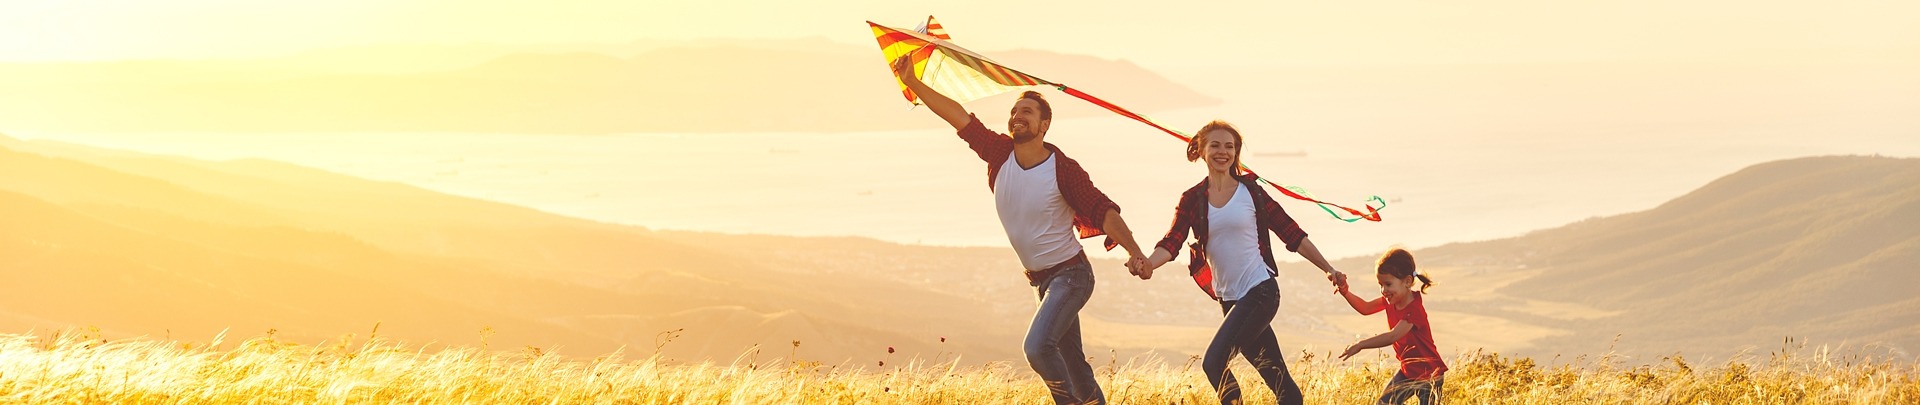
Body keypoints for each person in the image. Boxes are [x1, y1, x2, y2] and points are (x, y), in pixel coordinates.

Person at [892, 57, 1149, 405]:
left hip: (1071, 276)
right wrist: (914, 83)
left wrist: (1134, 250)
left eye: (1027, 112)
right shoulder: (999, 152)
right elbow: (956, 115)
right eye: (1015, 111)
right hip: (1041, 281)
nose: (1018, 117)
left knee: (1037, 347)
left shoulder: (1063, 170)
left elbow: (1104, 211)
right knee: (1072, 362)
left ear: (1044, 125)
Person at [1133, 120, 1349, 405]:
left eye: (1230, 147)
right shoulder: (1192, 199)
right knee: (1277, 377)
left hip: (1260, 291)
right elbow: (1172, 241)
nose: (1223, 152)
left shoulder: (1252, 193)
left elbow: (1292, 234)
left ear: (1236, 153)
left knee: (1213, 362)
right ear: (1200, 149)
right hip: (1229, 300)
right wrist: (1148, 263)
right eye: (1215, 145)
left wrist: (1329, 269)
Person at [1338, 248, 1447, 404]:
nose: (1383, 290)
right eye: (1380, 284)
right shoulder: (1391, 301)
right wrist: (1345, 292)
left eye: (1388, 284)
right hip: (1408, 372)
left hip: (1430, 375)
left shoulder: (1414, 309)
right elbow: (1366, 308)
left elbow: (1393, 336)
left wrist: (1361, 345)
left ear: (1407, 282)